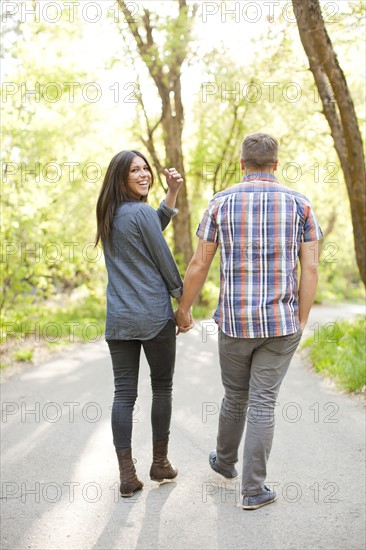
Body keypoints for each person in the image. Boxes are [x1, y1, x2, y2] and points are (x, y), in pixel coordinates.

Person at [175, 132, 322, 510]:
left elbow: (199, 263)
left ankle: (225, 461)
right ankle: (254, 490)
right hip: (280, 322)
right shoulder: (300, 205)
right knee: (262, 402)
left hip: (235, 323)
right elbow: (311, 267)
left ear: (242, 164)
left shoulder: (220, 203)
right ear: (276, 165)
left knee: (236, 396)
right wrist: (302, 319)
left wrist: (184, 309)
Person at [95, 150, 190, 497]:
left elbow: (147, 228)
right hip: (153, 316)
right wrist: (183, 300)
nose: (143, 173)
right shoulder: (139, 213)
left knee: (123, 395)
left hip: (119, 320)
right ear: (120, 177)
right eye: (134, 170)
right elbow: (162, 256)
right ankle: (160, 463)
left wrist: (172, 195)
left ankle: (126, 474)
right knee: (161, 388)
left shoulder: (109, 213)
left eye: (145, 168)